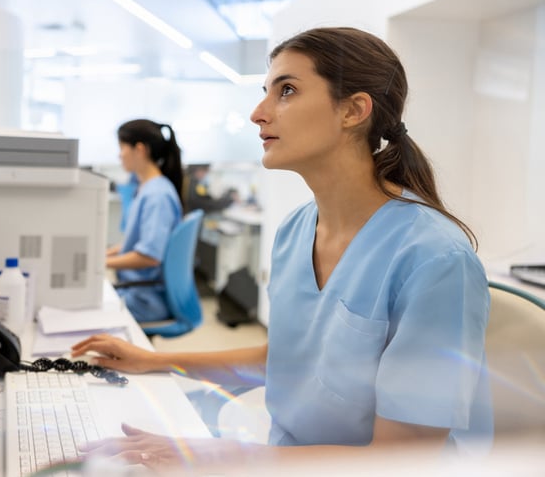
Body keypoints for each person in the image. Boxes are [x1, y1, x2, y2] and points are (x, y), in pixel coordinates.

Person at [71, 27, 492, 472]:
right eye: (265, 92)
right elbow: (286, 359)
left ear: (353, 110)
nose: (257, 113)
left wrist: (215, 455)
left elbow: (402, 460)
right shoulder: (295, 231)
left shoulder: (435, 261)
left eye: (286, 90)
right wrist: (154, 360)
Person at [106, 119, 184, 323]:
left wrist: (100, 263)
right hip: (137, 289)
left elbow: (149, 256)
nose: (119, 155)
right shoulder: (147, 188)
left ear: (139, 150)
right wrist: (105, 254)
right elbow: (138, 242)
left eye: (122, 148)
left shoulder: (157, 195)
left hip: (145, 299)